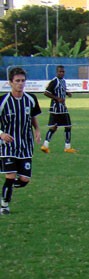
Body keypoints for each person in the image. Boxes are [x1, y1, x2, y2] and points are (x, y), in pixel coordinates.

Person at [0, 67, 41, 215]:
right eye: (17, 81)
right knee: (10, 176)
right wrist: (1, 134)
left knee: (24, 180)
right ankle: (4, 205)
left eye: (23, 81)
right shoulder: (3, 101)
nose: (20, 84)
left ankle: (7, 189)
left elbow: (33, 117)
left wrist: (37, 130)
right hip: (8, 145)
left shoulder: (31, 99)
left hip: (25, 145)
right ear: (10, 82)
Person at [41, 65, 77, 154]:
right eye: (60, 72)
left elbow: (62, 89)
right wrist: (57, 98)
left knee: (58, 127)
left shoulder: (63, 81)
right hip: (57, 108)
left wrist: (67, 93)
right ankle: (66, 147)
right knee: (64, 126)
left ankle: (46, 146)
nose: (61, 73)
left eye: (63, 72)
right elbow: (46, 93)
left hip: (62, 108)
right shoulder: (54, 81)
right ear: (57, 72)